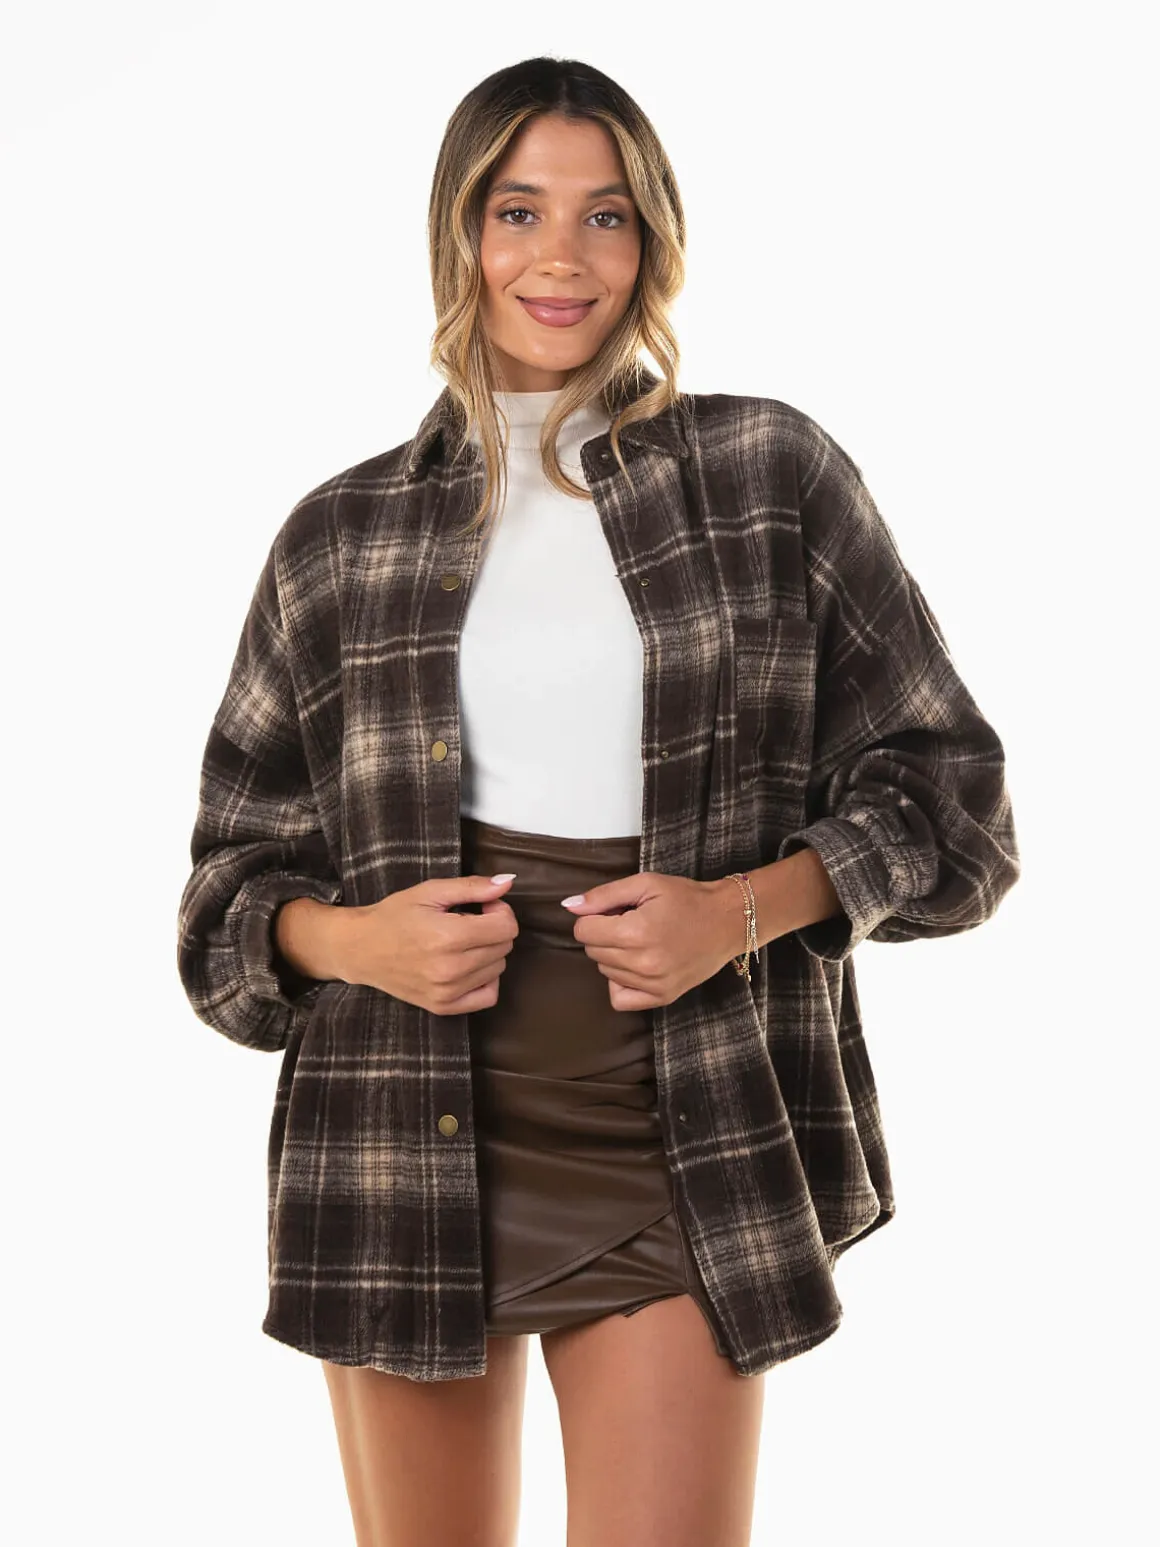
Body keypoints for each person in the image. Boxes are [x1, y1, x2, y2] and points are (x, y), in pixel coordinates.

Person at [176, 55, 1021, 1547]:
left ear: (654, 242)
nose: (561, 257)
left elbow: (954, 804)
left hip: (684, 1126)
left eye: (606, 215)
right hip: (397, 1132)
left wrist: (743, 911)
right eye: (518, 211)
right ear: (460, 231)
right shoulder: (337, 536)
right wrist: (355, 942)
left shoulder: (766, 473)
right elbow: (223, 904)